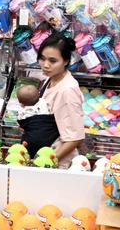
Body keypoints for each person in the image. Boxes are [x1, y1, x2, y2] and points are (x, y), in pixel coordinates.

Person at [34, 33, 85, 167]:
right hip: (43, 157)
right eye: (42, 58)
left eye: (53, 61)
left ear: (66, 61)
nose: (45, 65)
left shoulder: (67, 90)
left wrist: (49, 162)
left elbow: (75, 138)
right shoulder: (50, 79)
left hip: (58, 164)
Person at [16, 84, 61, 157]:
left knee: (26, 149)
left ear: (20, 102)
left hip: (34, 138)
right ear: (39, 95)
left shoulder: (24, 112)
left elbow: (22, 123)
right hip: (50, 134)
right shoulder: (43, 102)